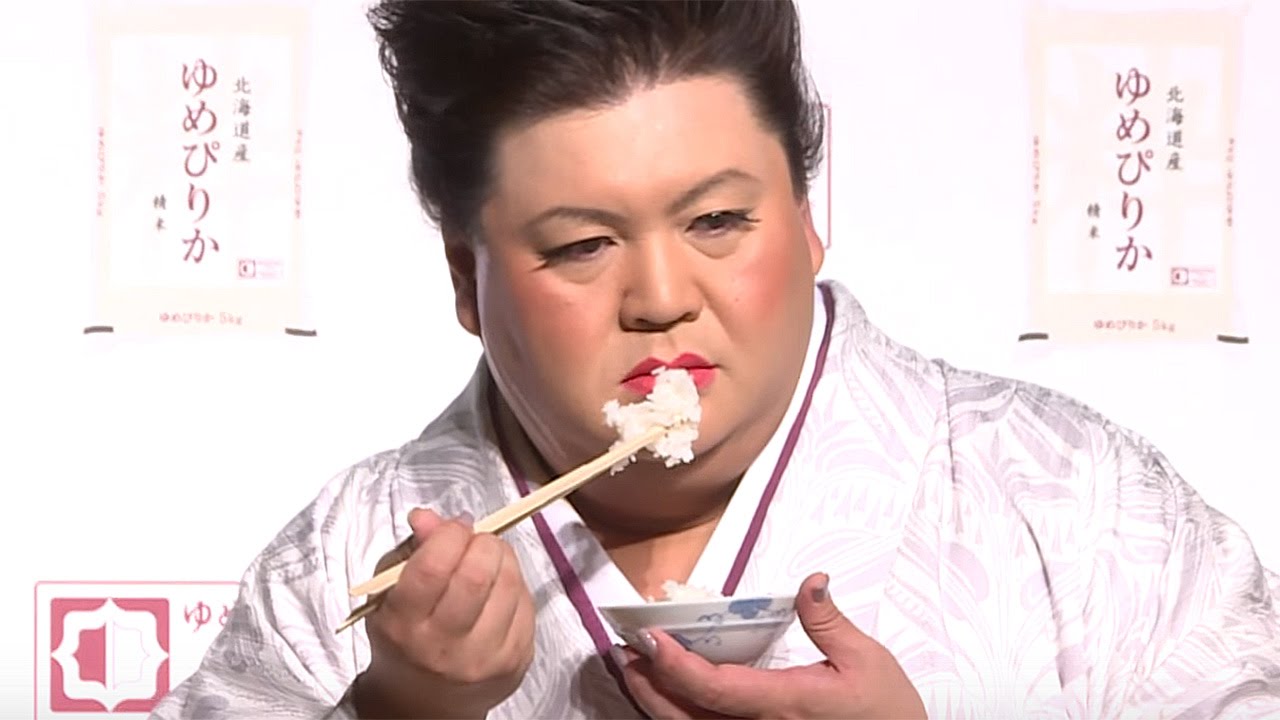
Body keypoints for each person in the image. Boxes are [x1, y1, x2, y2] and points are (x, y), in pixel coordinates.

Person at [150, 1, 1280, 718]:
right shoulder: (349, 563)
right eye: (581, 246)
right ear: (464, 277)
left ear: (807, 217)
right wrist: (399, 713)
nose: (660, 298)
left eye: (718, 222)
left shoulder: (1083, 510)